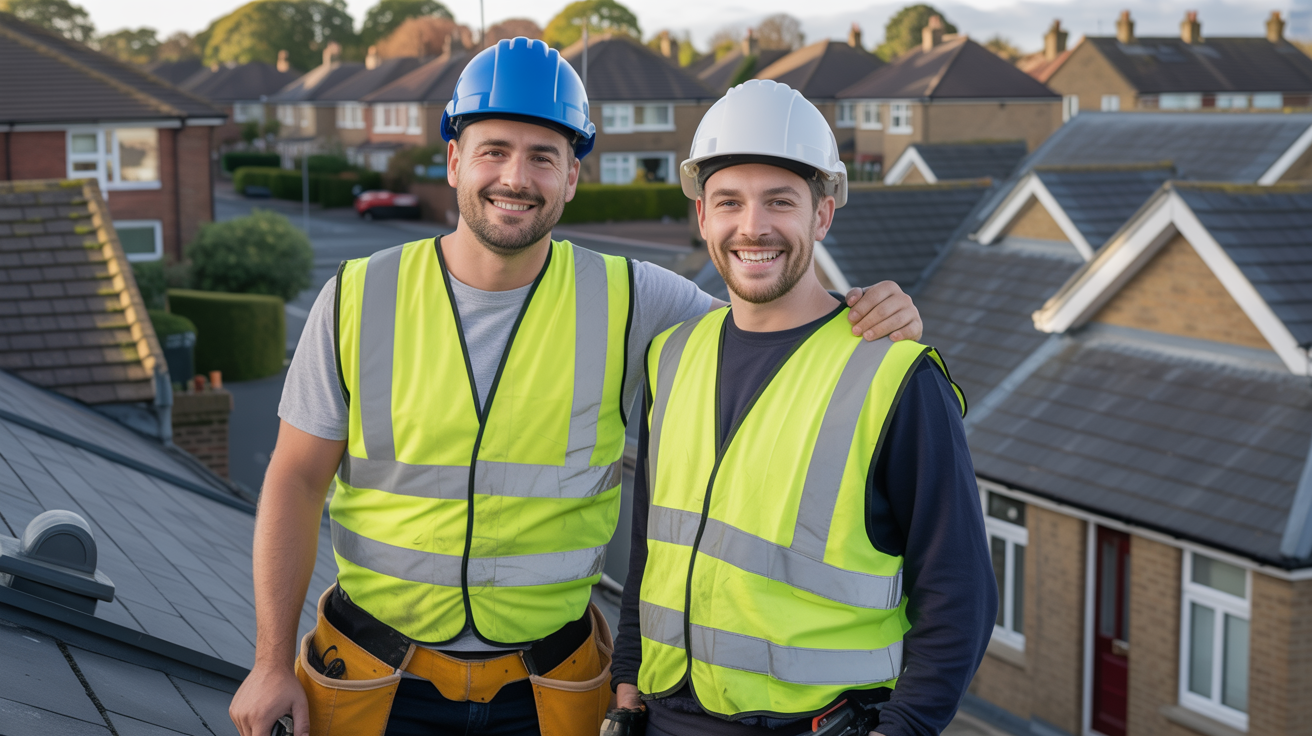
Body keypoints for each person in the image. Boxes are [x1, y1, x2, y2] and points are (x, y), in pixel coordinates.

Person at [228, 40, 924, 736]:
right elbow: (293, 479)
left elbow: (770, 319)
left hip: (549, 694)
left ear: (572, 177)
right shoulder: (357, 296)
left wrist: (863, 310)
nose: (515, 177)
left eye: (543, 156)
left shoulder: (632, 299)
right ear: (454, 161)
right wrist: (268, 662)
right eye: (494, 150)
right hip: (375, 679)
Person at [610, 79, 997, 736]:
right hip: (662, 720)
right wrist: (626, 677)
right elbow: (653, 543)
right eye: (728, 201)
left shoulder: (896, 376)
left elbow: (961, 596)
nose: (752, 227)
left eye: (779, 202)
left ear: (822, 215)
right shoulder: (671, 355)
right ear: (702, 216)